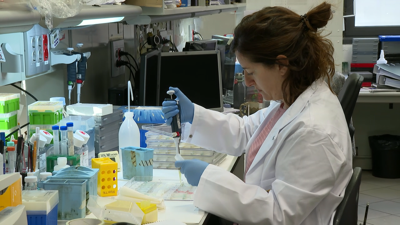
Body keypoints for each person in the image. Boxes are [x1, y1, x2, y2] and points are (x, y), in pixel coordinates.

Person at [162, 2, 352, 224]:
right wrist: (193, 116)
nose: (249, 82)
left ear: (282, 64)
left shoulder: (313, 131)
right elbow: (247, 131)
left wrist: (209, 179)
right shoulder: (291, 99)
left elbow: (278, 215)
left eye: (251, 72)